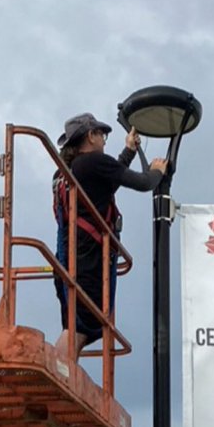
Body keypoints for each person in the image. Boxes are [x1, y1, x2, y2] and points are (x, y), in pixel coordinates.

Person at [53, 110, 167, 364]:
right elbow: (142, 182)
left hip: (67, 258)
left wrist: (128, 152)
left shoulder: (66, 171)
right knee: (81, 328)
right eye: (102, 134)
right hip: (88, 259)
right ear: (90, 136)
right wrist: (158, 171)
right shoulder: (92, 162)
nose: (104, 140)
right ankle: (58, 375)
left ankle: (61, 373)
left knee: (75, 325)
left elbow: (106, 184)